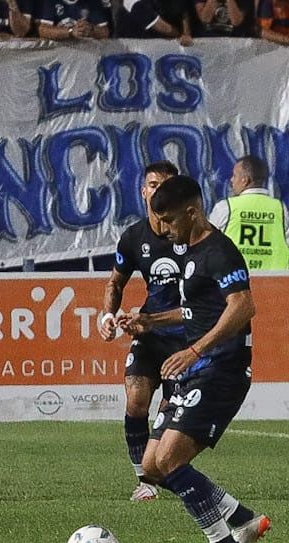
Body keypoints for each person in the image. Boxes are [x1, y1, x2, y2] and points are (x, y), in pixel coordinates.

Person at [121, 175, 270, 543]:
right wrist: (152, 320)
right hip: (198, 370)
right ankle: (242, 519)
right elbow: (196, 311)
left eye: (169, 221)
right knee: (151, 467)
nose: (165, 229)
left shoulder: (219, 251)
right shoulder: (187, 251)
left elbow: (243, 307)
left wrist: (194, 350)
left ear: (192, 211)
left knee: (169, 458)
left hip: (221, 370)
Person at [99, 161, 186, 502]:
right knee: (136, 402)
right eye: (151, 185)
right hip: (149, 331)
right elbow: (115, 282)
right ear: (143, 191)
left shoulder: (192, 234)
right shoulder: (134, 237)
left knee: (170, 411)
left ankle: (161, 470)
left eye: (164, 185)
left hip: (185, 335)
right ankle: (145, 481)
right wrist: (108, 315)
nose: (157, 191)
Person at [208, 155, 289, 272]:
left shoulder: (226, 207)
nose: (231, 180)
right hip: (273, 282)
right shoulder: (280, 209)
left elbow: (207, 243)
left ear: (244, 180)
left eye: (234, 175)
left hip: (233, 283)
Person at [117, 0, 195, 44]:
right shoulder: (132, 2)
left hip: (163, 46)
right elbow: (163, 27)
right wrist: (181, 35)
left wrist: (186, 33)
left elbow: (183, 10)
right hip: (135, 49)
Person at [37, 0, 111, 39]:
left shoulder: (92, 2)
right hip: (58, 54)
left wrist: (91, 29)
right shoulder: (51, 1)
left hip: (86, 54)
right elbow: (43, 30)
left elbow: (105, 31)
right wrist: (70, 32)